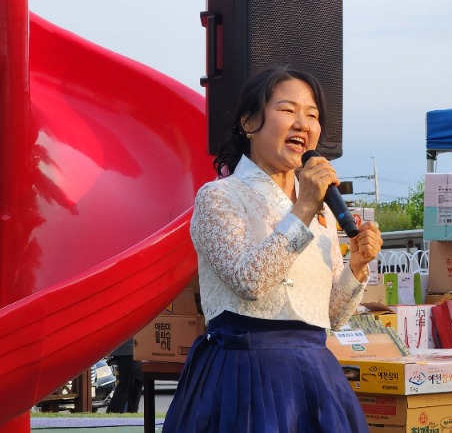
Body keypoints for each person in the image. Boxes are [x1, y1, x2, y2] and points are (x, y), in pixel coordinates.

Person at [162, 65, 382, 433]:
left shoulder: (322, 209)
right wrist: (304, 209)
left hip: (314, 378)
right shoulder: (219, 197)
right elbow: (250, 281)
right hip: (242, 377)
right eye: (287, 110)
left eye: (312, 115)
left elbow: (330, 316)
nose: (302, 124)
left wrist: (356, 267)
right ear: (249, 122)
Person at [105, 338, 143, 413]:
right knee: (127, 382)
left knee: (137, 381)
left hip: (134, 347)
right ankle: (114, 410)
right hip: (128, 349)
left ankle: (131, 410)